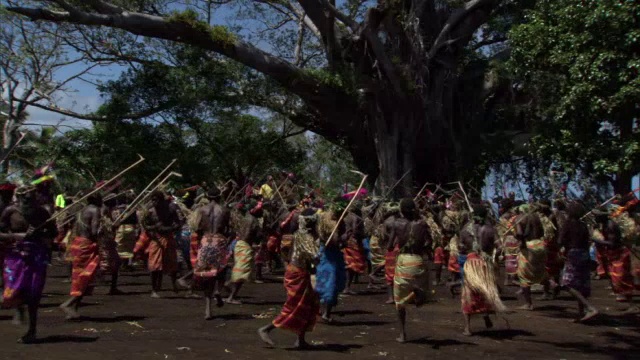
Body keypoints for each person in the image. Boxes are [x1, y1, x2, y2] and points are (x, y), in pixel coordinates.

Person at [0, 186, 57, 343]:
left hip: (37, 256)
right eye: (26, 198)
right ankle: (19, 308)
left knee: (34, 294)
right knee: (12, 289)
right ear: (19, 198)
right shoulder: (10, 211)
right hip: (15, 256)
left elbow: (54, 232)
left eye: (33, 197)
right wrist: (17, 236)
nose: (30, 201)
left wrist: (40, 233)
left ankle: (32, 331)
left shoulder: (42, 212)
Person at [258, 208, 320, 349]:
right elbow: (314, 257)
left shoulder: (303, 235)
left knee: (307, 306)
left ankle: (300, 340)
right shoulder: (305, 237)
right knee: (294, 307)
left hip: (301, 272)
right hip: (297, 274)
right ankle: (266, 328)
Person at [458, 206, 506, 336]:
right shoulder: (490, 229)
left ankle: (468, 328)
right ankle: (485, 315)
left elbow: (461, 248)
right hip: (485, 264)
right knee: (485, 290)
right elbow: (500, 248)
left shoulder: (464, 230)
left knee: (469, 294)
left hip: (471, 263)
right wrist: (495, 255)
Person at [391, 198, 432, 343]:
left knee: (399, 301)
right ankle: (417, 294)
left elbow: (390, 245)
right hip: (417, 260)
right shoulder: (422, 223)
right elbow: (429, 243)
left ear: (401, 210)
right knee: (424, 288)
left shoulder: (397, 223)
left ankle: (402, 334)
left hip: (403, 261)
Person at [59, 192, 102, 319]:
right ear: (97, 199)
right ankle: (68, 304)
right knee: (85, 277)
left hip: (78, 244)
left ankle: (74, 310)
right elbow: (94, 231)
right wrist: (105, 230)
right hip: (87, 245)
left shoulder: (82, 210)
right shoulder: (95, 210)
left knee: (81, 278)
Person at [192, 188, 231, 319]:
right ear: (220, 197)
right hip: (219, 240)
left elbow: (197, 228)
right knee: (221, 269)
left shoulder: (201, 210)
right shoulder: (224, 210)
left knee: (206, 274)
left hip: (205, 240)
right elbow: (229, 228)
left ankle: (208, 310)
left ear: (207, 197)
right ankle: (218, 290)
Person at [558, 202, 598, 322]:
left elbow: (560, 240)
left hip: (573, 254)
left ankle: (589, 308)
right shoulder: (583, 225)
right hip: (584, 254)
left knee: (567, 284)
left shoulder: (568, 224)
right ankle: (581, 313)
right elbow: (587, 242)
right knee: (580, 284)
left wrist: (563, 247)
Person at [142, 191, 183, 298]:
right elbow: (145, 226)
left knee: (172, 263)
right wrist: (154, 228)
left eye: (156, 200)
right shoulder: (150, 211)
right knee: (154, 265)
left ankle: (174, 285)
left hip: (168, 237)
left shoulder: (170, 209)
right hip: (156, 239)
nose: (154, 202)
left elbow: (178, 223)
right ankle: (154, 290)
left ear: (161, 200)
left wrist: (170, 228)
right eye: (153, 200)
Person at [315, 200, 347, 323]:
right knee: (330, 283)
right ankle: (325, 313)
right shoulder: (331, 221)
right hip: (329, 255)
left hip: (332, 254)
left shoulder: (339, 220)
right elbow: (335, 241)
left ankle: (322, 311)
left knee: (329, 281)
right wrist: (343, 239)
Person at [226, 199, 262, 304]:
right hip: (244, 245)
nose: (262, 211)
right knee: (242, 273)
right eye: (260, 209)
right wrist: (258, 236)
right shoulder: (252, 220)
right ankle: (231, 296)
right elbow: (247, 236)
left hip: (240, 244)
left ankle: (229, 287)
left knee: (240, 270)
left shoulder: (247, 218)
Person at [515, 208, 547, 310]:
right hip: (540, 245)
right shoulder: (536, 218)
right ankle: (550, 284)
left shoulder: (519, 219)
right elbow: (542, 233)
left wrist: (519, 239)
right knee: (540, 269)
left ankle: (528, 304)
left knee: (524, 275)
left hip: (528, 247)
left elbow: (519, 234)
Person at [99, 193, 123, 295]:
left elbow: (116, 225)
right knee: (103, 265)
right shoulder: (102, 214)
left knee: (115, 264)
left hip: (109, 242)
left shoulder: (111, 213)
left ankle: (113, 287)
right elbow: (99, 230)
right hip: (103, 243)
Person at [342, 204, 366, 294]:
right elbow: (355, 231)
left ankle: (346, 286)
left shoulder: (345, 216)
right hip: (354, 242)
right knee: (352, 266)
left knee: (349, 265)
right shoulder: (356, 218)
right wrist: (363, 234)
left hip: (346, 241)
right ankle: (347, 287)